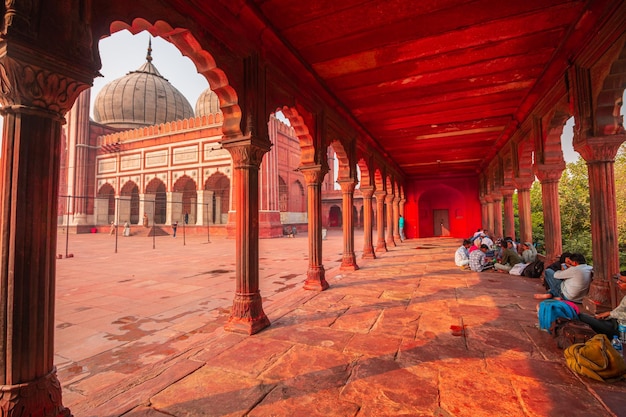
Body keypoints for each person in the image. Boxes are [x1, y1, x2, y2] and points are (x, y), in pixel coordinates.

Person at [579, 272, 626, 338]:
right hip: (615, 322)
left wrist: (609, 314)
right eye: (618, 279)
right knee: (589, 319)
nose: (618, 282)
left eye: (622, 281)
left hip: (621, 330)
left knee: (582, 317)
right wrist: (608, 316)